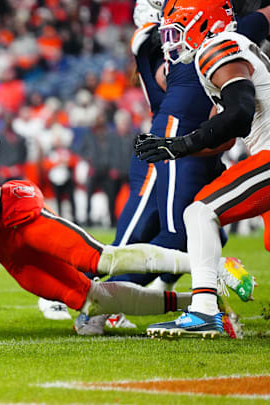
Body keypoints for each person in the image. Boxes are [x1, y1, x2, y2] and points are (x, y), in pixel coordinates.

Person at [0, 126, 254, 331]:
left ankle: (211, 269)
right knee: (89, 302)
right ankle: (192, 303)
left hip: (15, 214)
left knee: (99, 259)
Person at [82, 0, 270, 335]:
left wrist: (182, 144)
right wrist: (181, 146)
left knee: (193, 223)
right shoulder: (209, 49)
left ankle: (108, 297)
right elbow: (224, 130)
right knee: (186, 226)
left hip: (190, 133)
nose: (171, 40)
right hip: (184, 133)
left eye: (178, 28)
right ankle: (100, 295)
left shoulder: (222, 44)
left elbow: (235, 117)